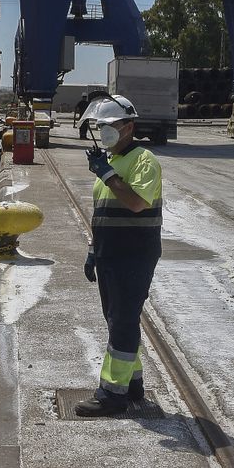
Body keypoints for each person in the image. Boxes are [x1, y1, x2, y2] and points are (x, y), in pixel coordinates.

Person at [76, 94, 163, 417]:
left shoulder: (143, 160)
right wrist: (92, 251)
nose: (104, 132)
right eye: (100, 127)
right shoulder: (111, 164)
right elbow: (103, 214)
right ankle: (133, 383)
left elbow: (138, 203)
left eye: (110, 126)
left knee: (122, 321)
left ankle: (112, 395)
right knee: (118, 323)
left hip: (134, 254)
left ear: (129, 127)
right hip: (109, 254)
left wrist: (107, 175)